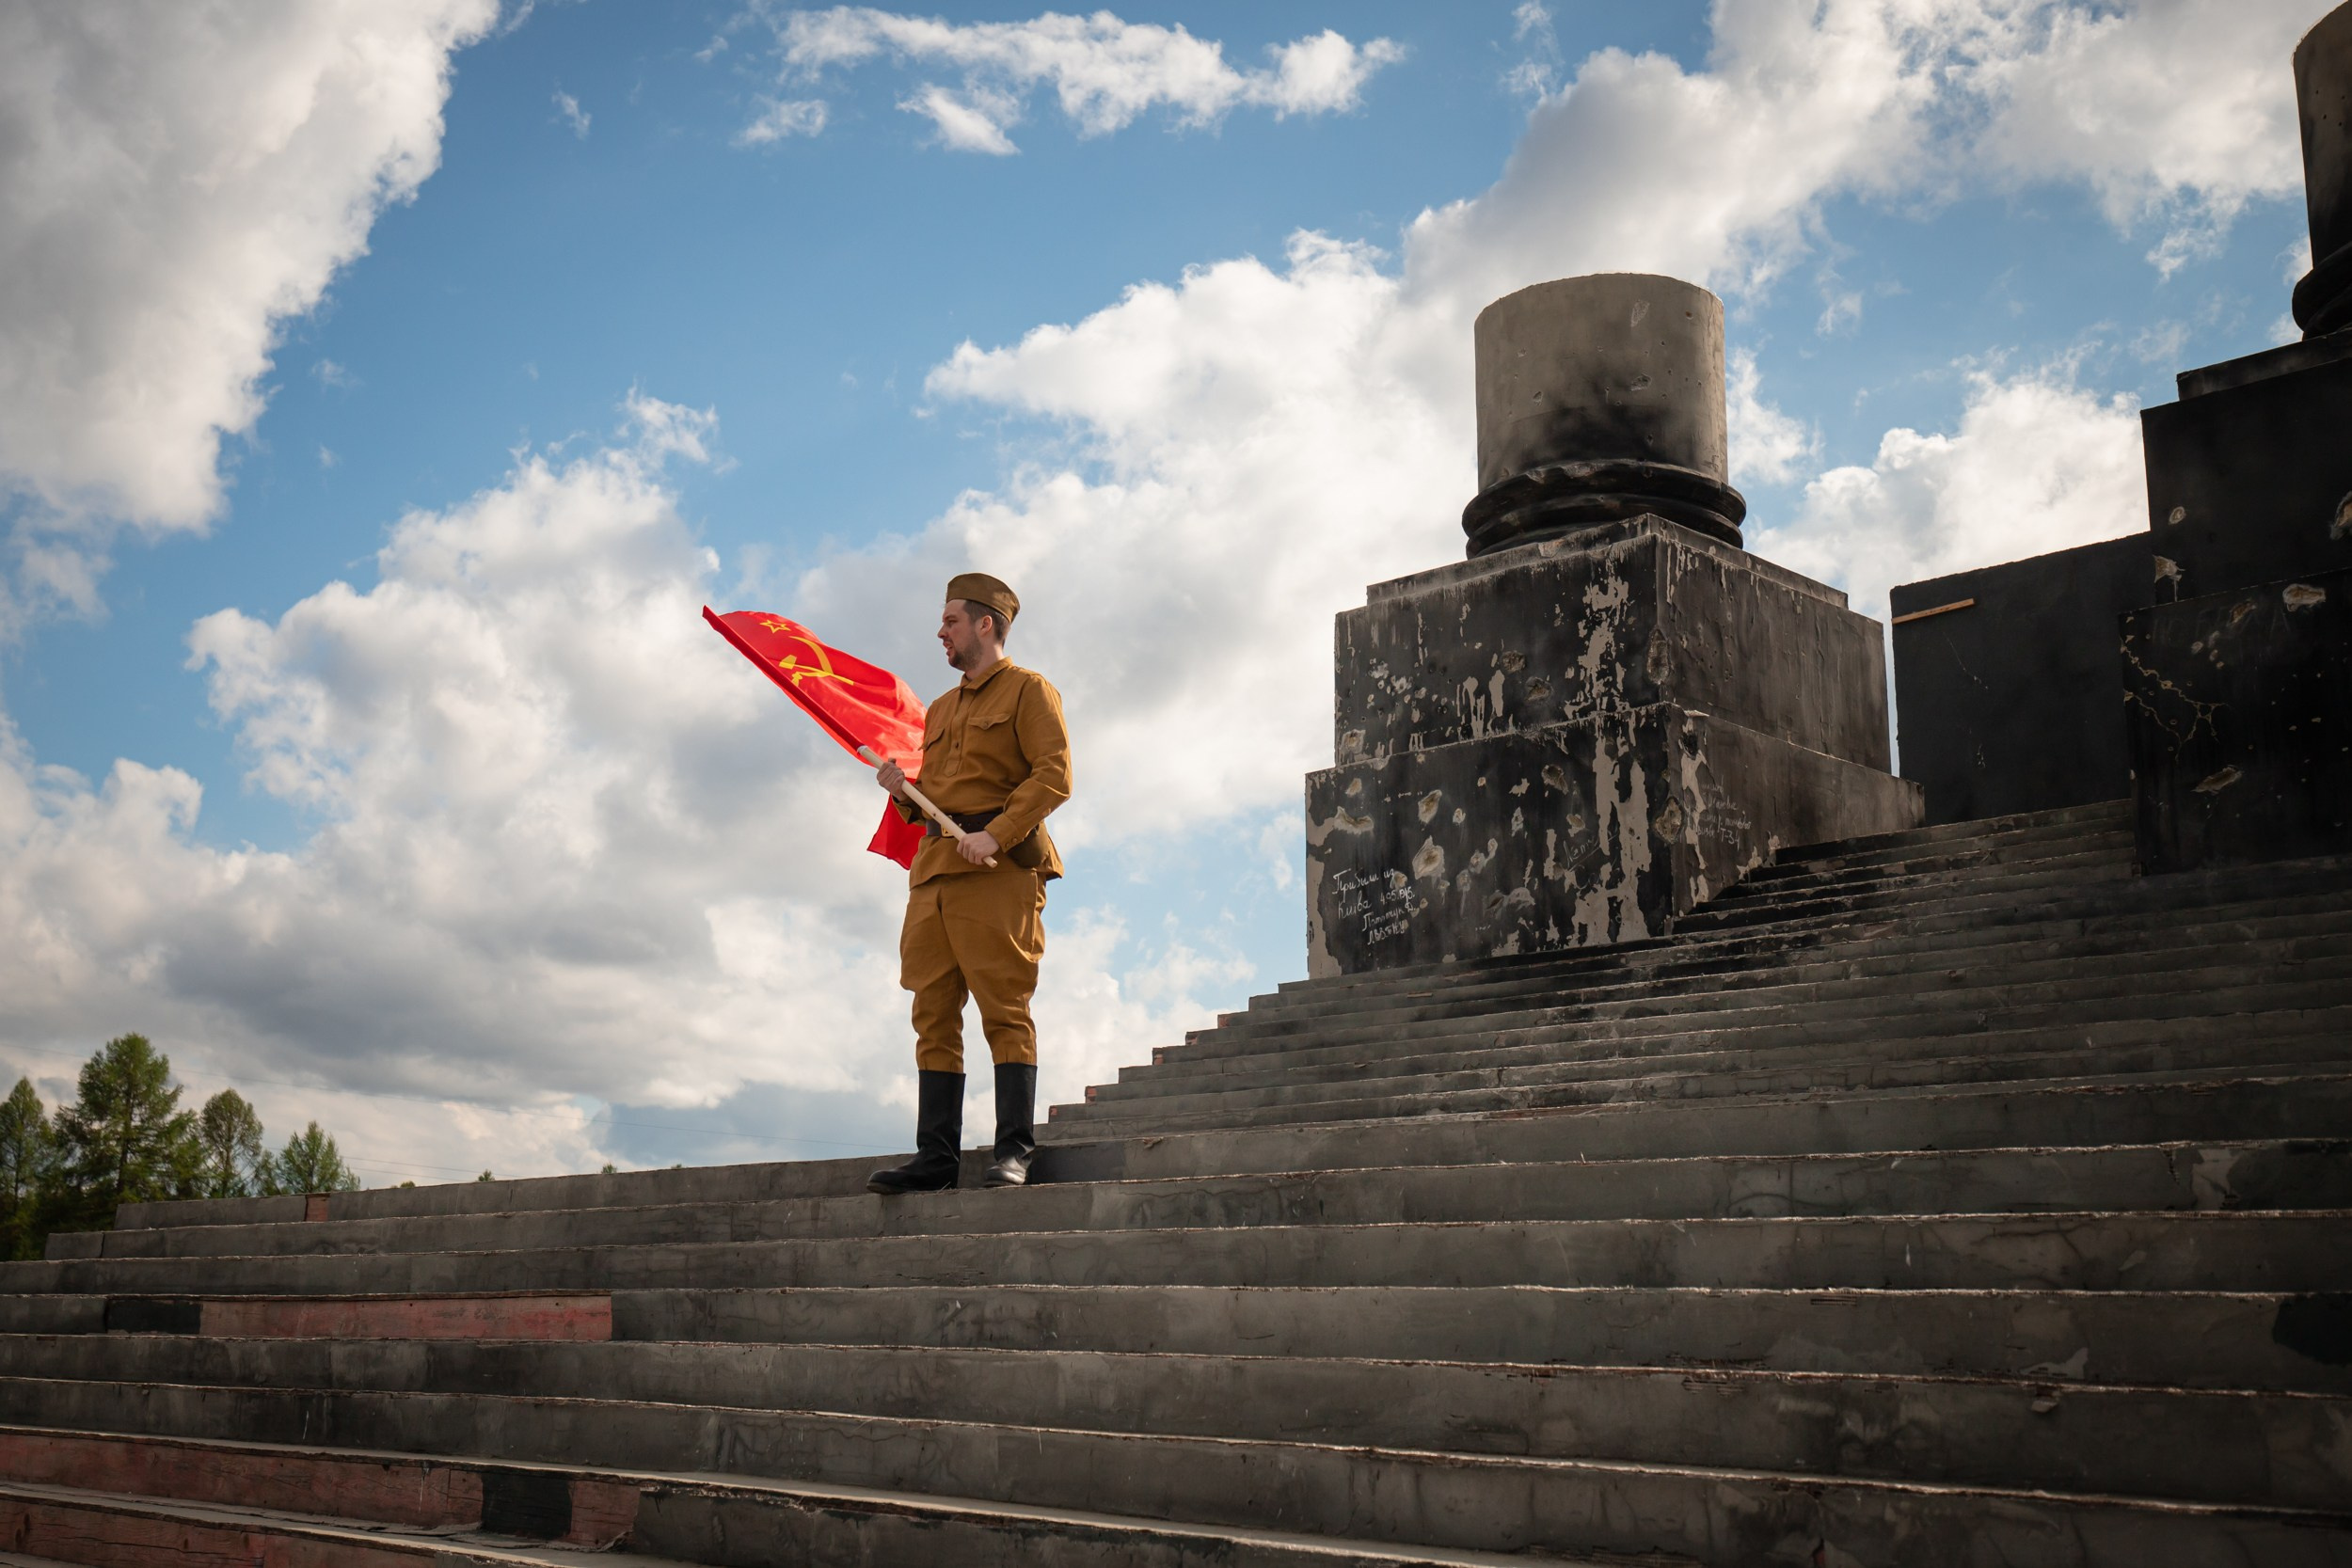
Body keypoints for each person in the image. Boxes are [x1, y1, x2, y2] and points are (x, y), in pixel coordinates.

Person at [867, 573, 1071, 1195]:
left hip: (997, 869)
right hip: (935, 872)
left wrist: (1000, 832)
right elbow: (937, 798)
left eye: (951, 620)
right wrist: (902, 792)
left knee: (1004, 1008)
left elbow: (1054, 775)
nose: (941, 631)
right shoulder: (941, 708)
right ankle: (936, 1158)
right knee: (931, 1013)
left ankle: (1014, 1149)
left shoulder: (1029, 690)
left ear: (985, 623)